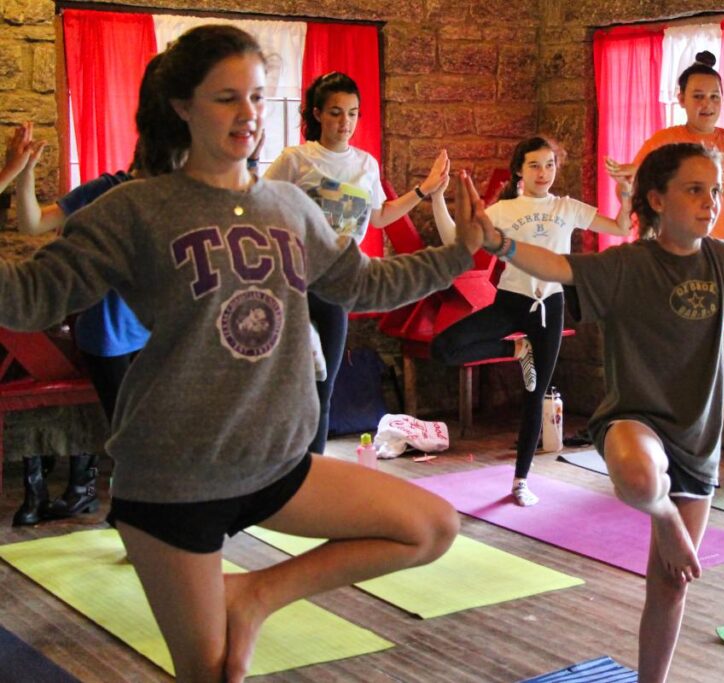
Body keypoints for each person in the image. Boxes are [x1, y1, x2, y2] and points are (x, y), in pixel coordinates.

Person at [0, 24, 485, 682]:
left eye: (257, 96)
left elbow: (363, 283)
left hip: (275, 466)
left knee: (430, 525)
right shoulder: (134, 210)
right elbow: (29, 297)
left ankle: (255, 595)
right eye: (227, 98)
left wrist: (457, 254)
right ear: (181, 106)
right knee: (213, 671)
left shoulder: (287, 205)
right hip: (176, 477)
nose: (249, 114)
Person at [459, 143, 724, 682]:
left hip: (697, 439)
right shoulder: (627, 264)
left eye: (714, 191)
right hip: (634, 420)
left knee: (670, 585)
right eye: (694, 190)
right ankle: (664, 514)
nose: (709, 202)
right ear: (656, 199)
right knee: (643, 476)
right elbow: (556, 265)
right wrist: (498, 241)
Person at [8, 58, 170, 524]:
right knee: (129, 432)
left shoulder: (175, 201)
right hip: (107, 337)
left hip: (153, 335)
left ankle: (137, 512)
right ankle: (131, 513)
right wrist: (23, 172)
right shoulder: (107, 191)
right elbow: (33, 222)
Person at [430, 136, 631, 506]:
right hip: (509, 302)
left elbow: (619, 227)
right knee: (444, 347)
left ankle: (521, 480)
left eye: (550, 165)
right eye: (535, 165)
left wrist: (625, 192)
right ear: (519, 170)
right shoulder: (504, 210)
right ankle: (515, 347)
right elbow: (456, 240)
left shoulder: (567, 207)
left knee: (534, 396)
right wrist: (439, 197)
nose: (544, 173)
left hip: (550, 307)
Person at [264, 71, 450, 455]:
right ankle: (273, 462)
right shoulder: (295, 159)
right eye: (335, 113)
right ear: (317, 114)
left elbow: (381, 216)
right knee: (284, 381)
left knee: (324, 383)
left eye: (352, 114)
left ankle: (314, 467)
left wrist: (423, 190)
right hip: (293, 283)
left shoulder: (365, 164)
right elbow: (261, 208)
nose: (344, 122)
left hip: (339, 284)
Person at [605, 51, 724, 397]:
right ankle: (667, 416)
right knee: (687, 351)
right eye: (697, 96)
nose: (707, 104)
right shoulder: (667, 142)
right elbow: (643, 191)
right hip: (687, 260)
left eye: (714, 96)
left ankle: (712, 398)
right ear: (681, 99)